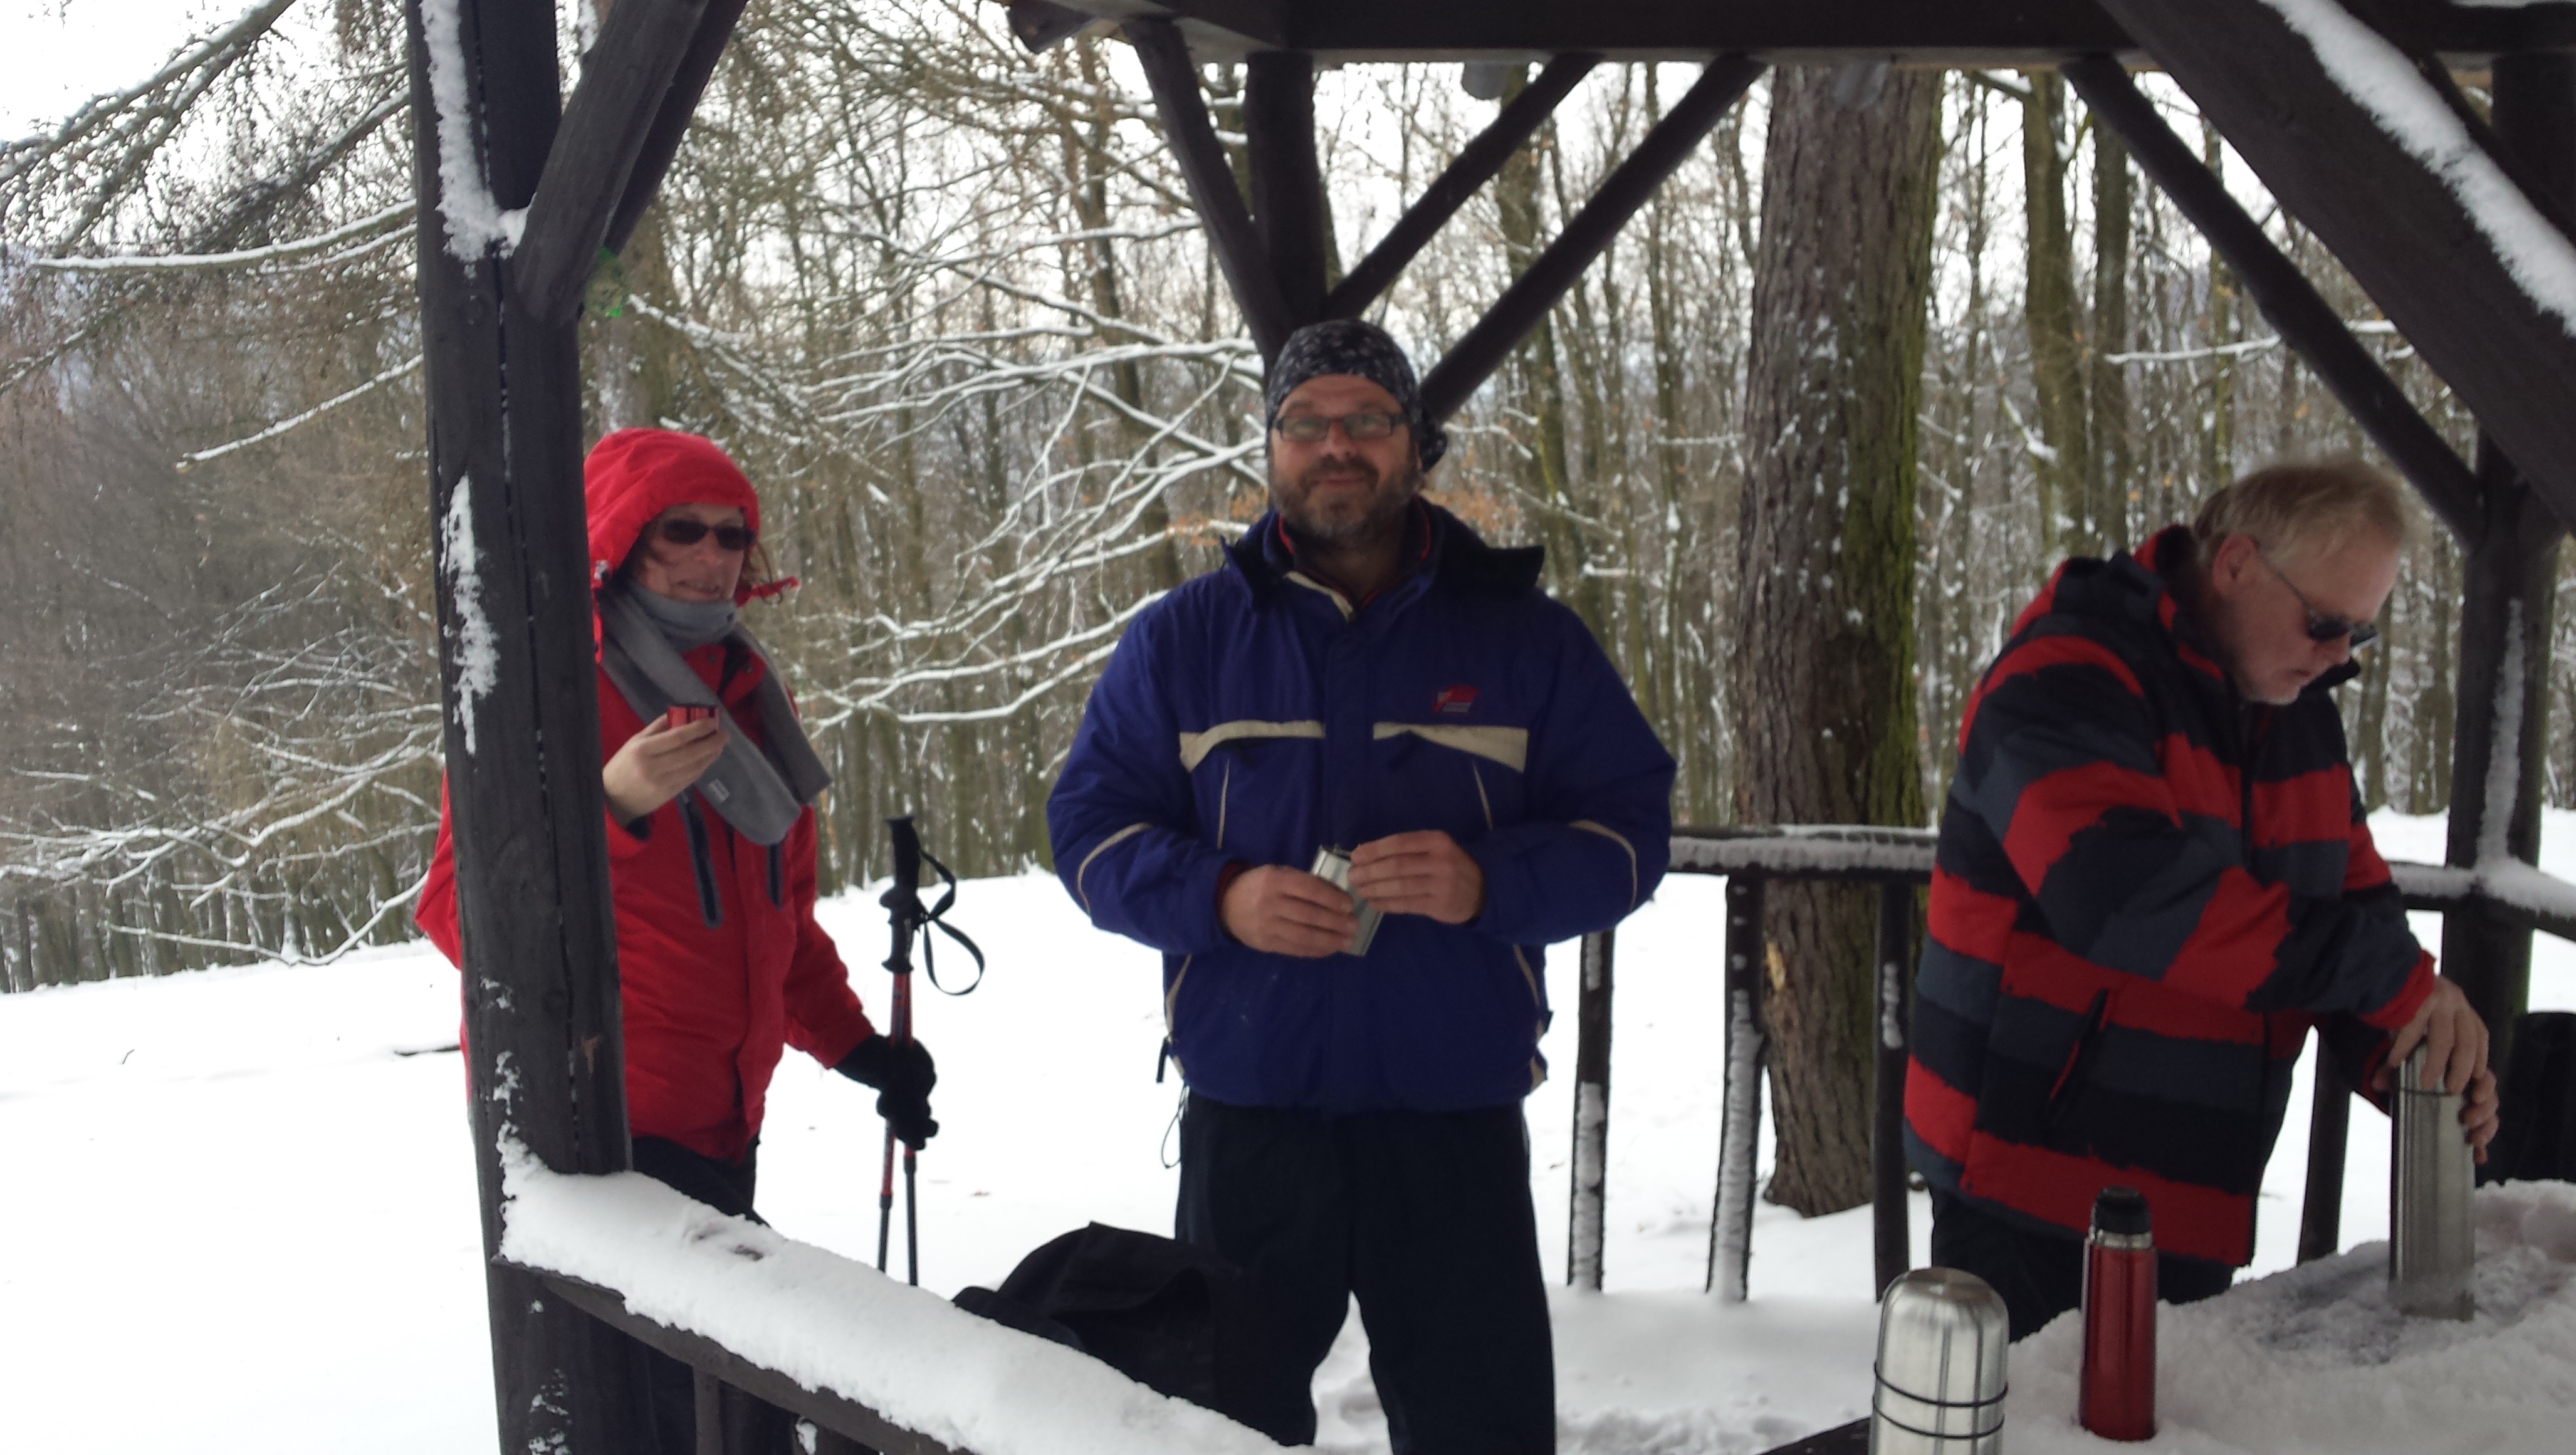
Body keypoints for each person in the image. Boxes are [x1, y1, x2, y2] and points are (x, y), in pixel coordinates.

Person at [1045, 319, 1676, 1452]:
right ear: (1271, 448)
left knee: (1481, 1437)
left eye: (1368, 420)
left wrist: (1487, 880)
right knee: (1219, 1436)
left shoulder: (1525, 639)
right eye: (1306, 424)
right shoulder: (1184, 640)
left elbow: (1632, 833)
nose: (1336, 445)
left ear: (1416, 444)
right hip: (1252, 1124)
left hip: (1452, 1126)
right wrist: (1221, 896)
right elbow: (1089, 833)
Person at [415, 427, 935, 1451]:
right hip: (597, 1136)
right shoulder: (547, 690)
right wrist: (608, 803)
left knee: (715, 1412)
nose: (711, 556)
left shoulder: (750, 691)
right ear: (618, 539)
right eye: (680, 532)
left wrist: (858, 1048)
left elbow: (780, 920)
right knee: (701, 1410)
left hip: (725, 1123)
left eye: (731, 534)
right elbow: (454, 912)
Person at [1905, 456, 2501, 1340]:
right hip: (2025, 1188)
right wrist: (2388, 978)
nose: (2340, 657)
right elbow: (2126, 901)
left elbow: (2350, 903)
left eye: (2360, 635)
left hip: (2194, 1193)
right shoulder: (2066, 673)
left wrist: (2409, 1049)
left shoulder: (2297, 711)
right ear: (2236, 565)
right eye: (2325, 623)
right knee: (2027, 1414)